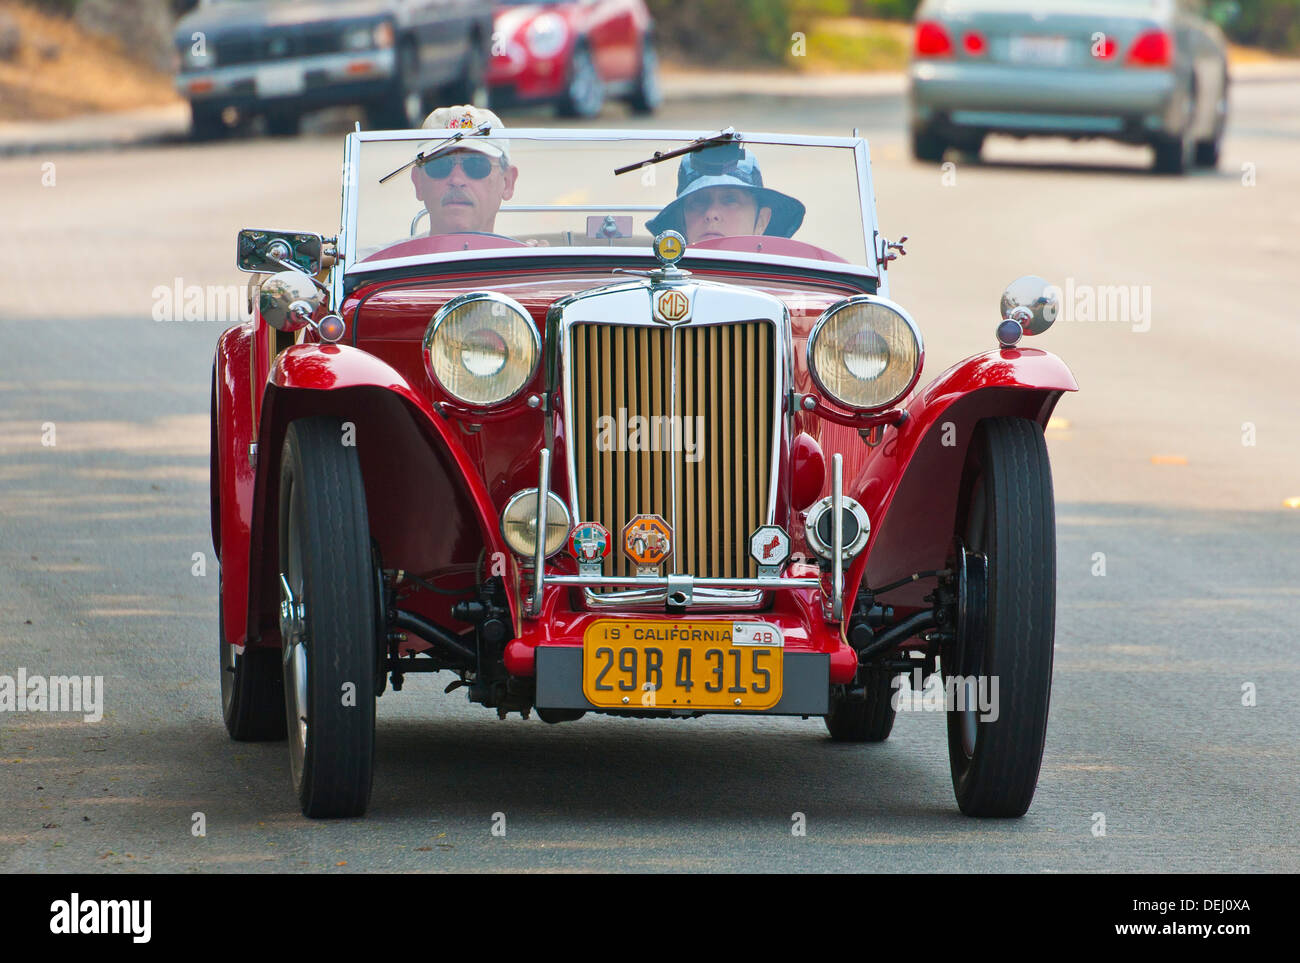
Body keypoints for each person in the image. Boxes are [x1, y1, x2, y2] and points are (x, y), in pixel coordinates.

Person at [646, 146, 805, 243]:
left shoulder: (785, 288)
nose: (711, 213)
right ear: (682, 221)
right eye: (698, 201)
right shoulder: (664, 287)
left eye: (730, 200)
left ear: (761, 221)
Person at [411, 105, 518, 236]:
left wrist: (535, 256)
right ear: (418, 182)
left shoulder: (531, 255)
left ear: (507, 183)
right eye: (440, 165)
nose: (456, 180)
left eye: (476, 165)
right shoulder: (388, 256)